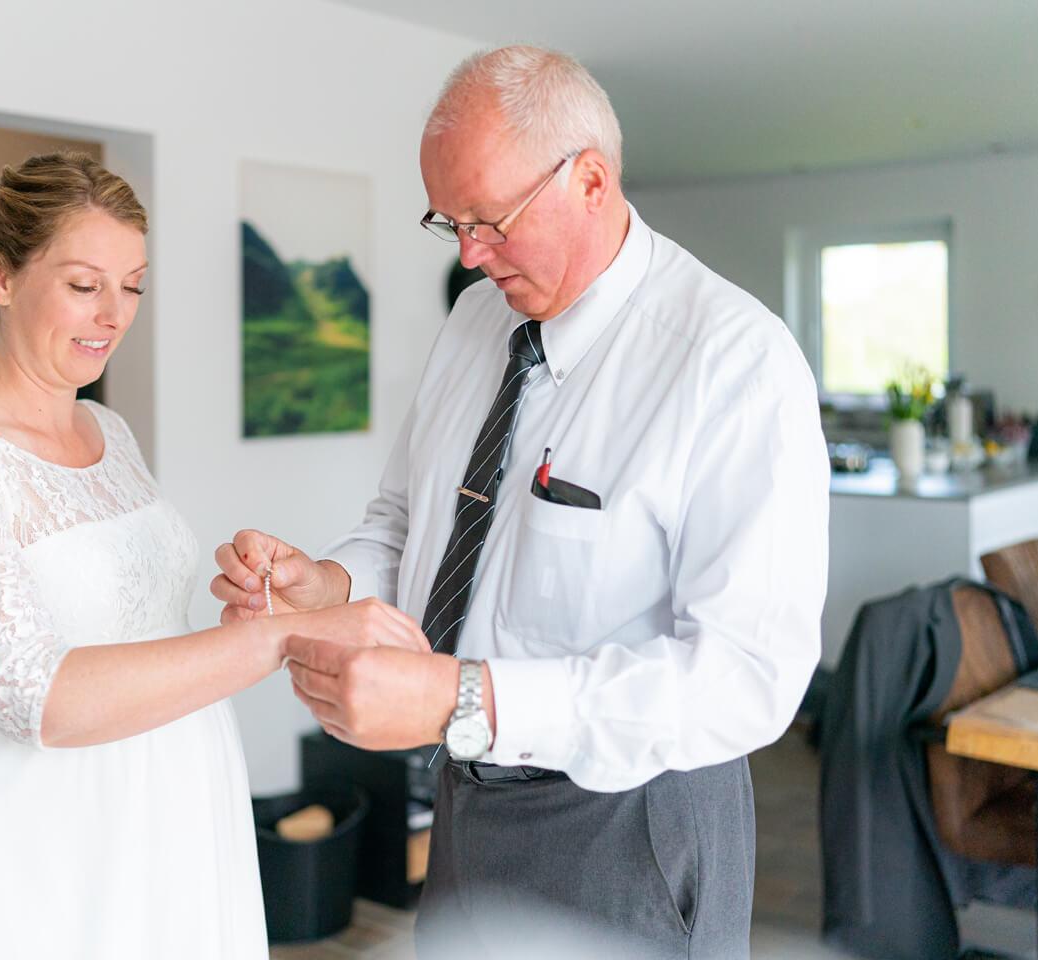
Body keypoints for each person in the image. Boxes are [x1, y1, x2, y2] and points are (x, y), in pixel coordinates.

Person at [213, 47, 828, 958]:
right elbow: (407, 520)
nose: (468, 252)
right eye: (449, 222)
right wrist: (331, 582)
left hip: (634, 825)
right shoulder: (474, 323)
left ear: (590, 180)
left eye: (490, 219)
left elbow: (746, 678)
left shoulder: (733, 361)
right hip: (467, 803)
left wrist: (465, 696)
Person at [0, 152, 426, 960]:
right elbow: (37, 698)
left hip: (172, 816)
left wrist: (253, 602)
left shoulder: (111, 434)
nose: (113, 313)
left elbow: (140, 622)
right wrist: (275, 641)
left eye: (132, 285)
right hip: (35, 849)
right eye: (84, 283)